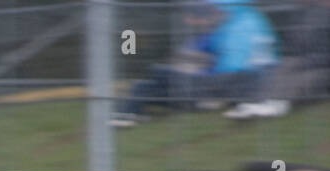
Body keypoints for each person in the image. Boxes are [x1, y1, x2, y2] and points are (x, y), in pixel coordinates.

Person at [111, 0, 279, 126]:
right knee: (147, 84)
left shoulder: (238, 27)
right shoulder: (238, 22)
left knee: (159, 72)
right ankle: (128, 114)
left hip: (221, 85)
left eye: (210, 12)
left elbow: (232, 67)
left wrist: (199, 73)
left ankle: (128, 112)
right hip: (211, 85)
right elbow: (193, 52)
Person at [225, 0, 330, 117]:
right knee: (283, 67)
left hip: (322, 66)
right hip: (307, 61)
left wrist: (305, 61)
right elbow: (293, 46)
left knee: (308, 76)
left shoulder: (322, 15)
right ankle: (263, 101)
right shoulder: (305, 14)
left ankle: (278, 103)